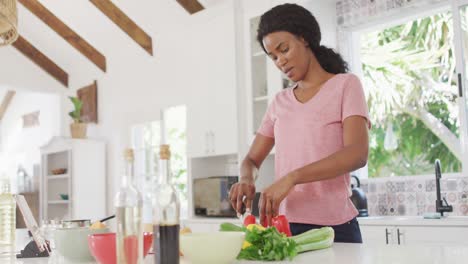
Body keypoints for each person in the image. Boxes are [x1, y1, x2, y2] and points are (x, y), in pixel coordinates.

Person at [229, 3, 370, 243]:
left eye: (284, 50)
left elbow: (357, 154)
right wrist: (245, 180)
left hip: (336, 228)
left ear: (304, 38)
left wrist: (292, 177)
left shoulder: (346, 85)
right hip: (285, 228)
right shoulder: (280, 102)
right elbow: (252, 160)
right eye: (273, 57)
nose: (280, 61)